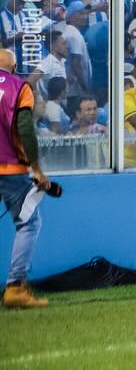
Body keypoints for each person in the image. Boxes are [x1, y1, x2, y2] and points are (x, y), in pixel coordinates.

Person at [1, 48, 51, 308]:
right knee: (28, 223)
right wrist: (37, 168)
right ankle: (15, 287)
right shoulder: (19, 88)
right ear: (14, 66)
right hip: (8, 168)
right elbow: (24, 128)